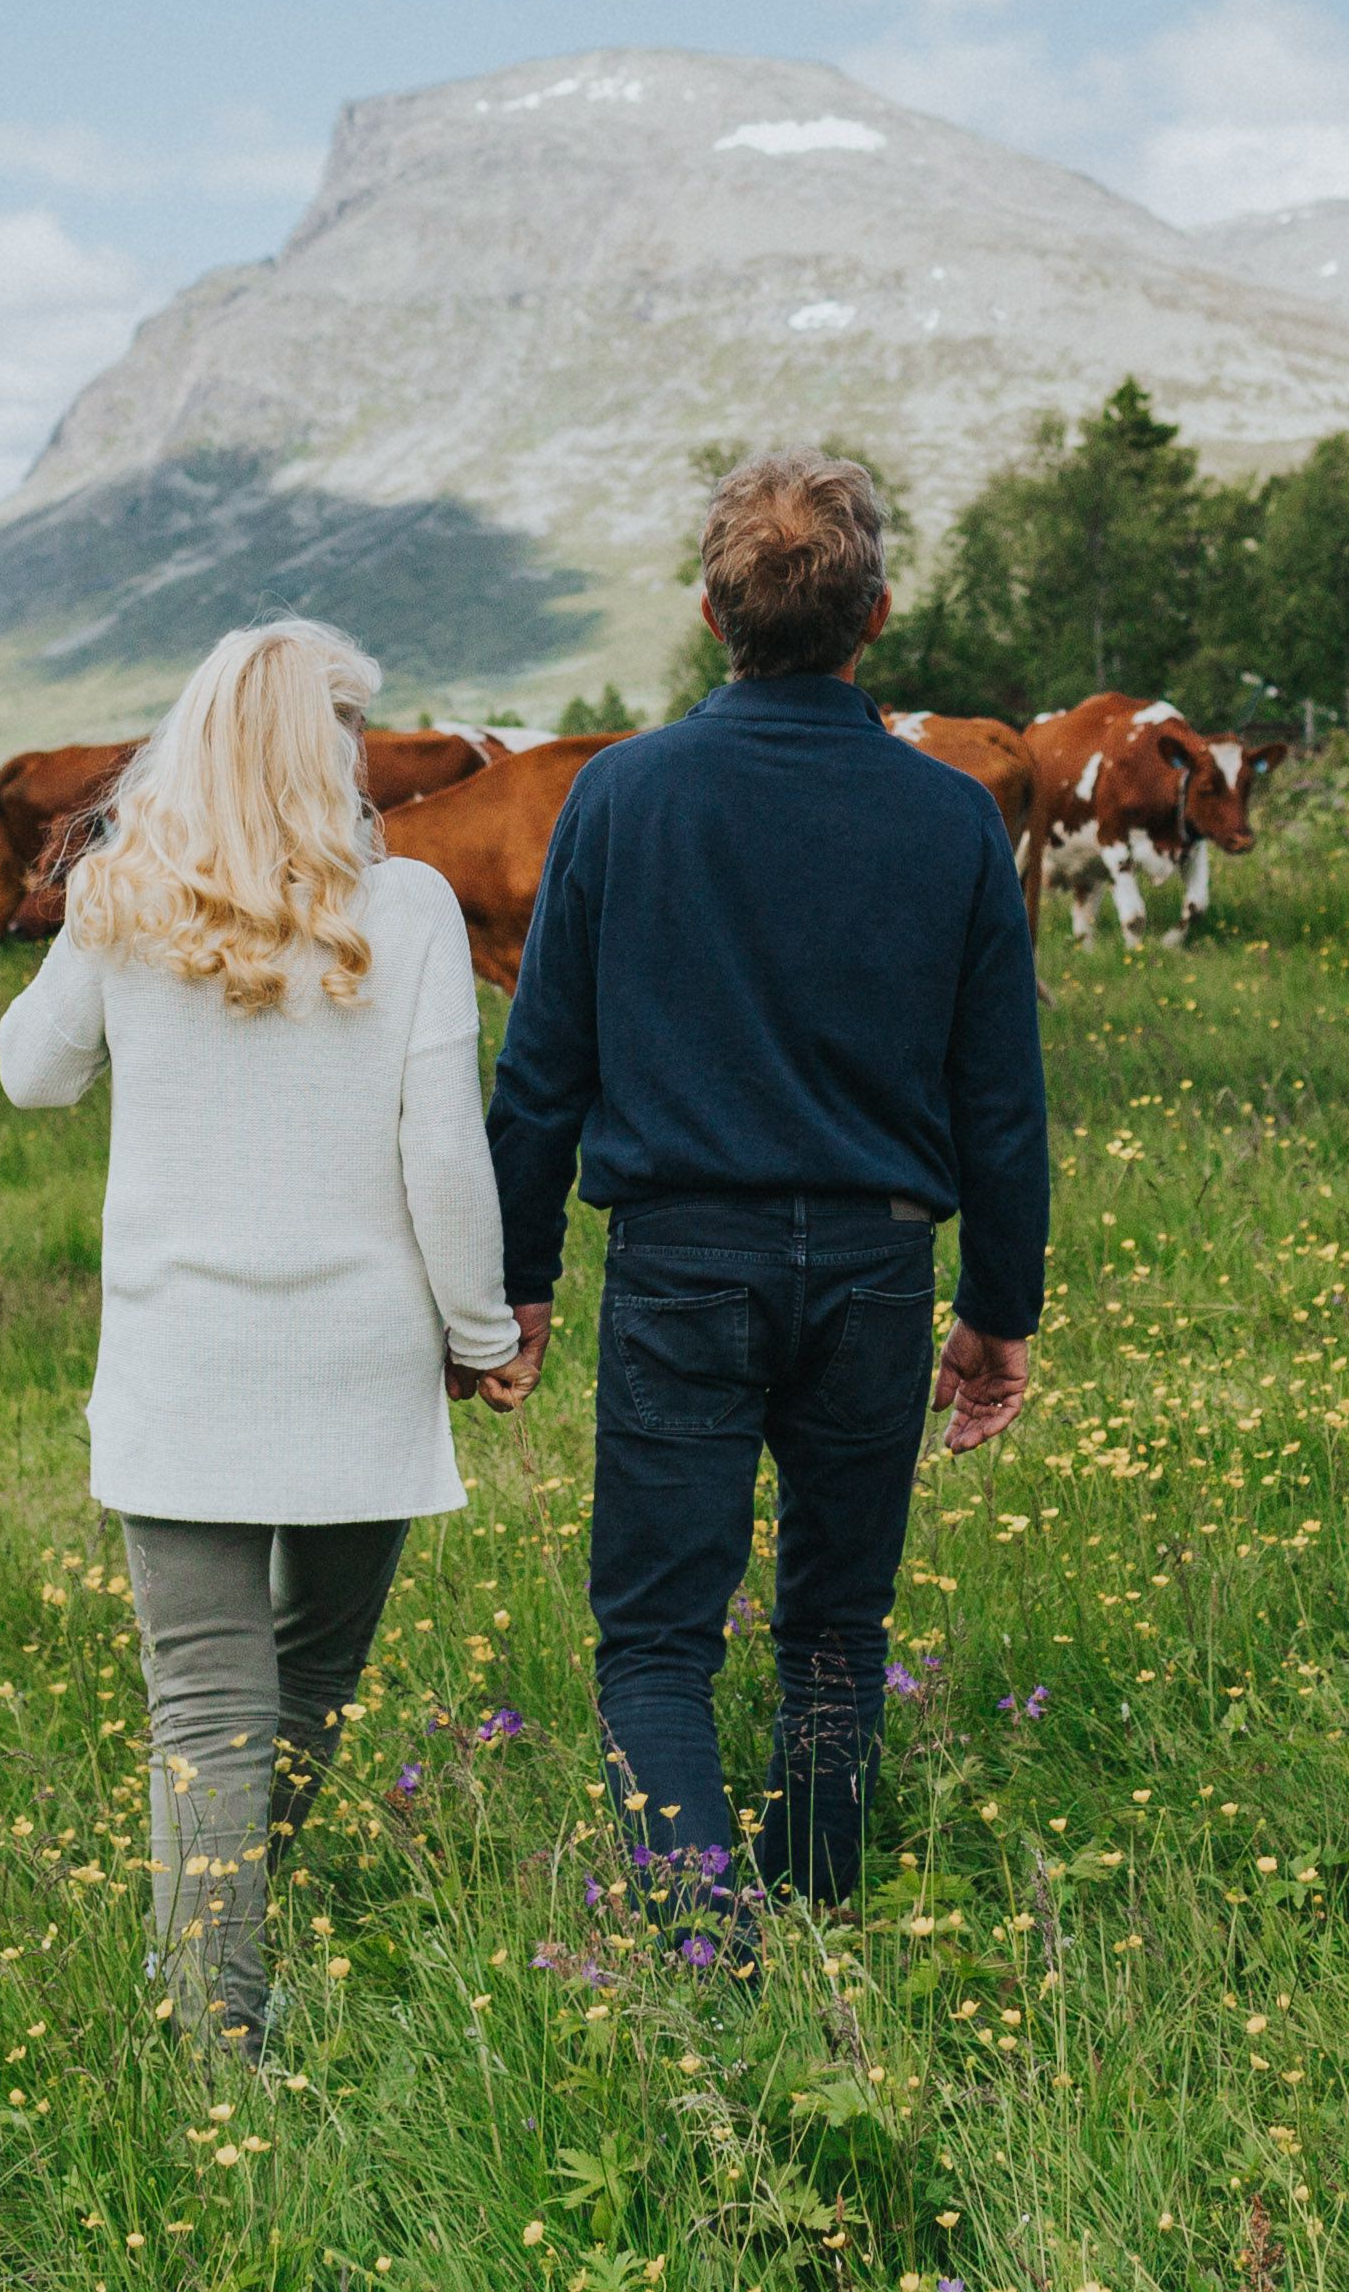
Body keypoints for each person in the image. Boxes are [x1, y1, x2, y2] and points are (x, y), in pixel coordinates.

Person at [485, 452, 1048, 1920]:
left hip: (683, 1260)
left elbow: (542, 1072)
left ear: (708, 613)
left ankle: (699, 1938)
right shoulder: (950, 822)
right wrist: (1000, 1310)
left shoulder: (621, 800)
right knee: (837, 1634)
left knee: (658, 1642)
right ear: (874, 616)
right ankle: (810, 1917)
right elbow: (1001, 1097)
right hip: (876, 1267)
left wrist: (519, 1281)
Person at [0, 617, 525, 2053]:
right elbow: (443, 1157)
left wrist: (86, 902)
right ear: (321, 751)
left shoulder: (121, 894)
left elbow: (31, 1076)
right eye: (348, 729)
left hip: (181, 1370)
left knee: (206, 1706)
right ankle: (217, 1973)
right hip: (360, 1364)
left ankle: (206, 1999)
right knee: (309, 1678)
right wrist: (483, 1337)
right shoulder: (404, 908)